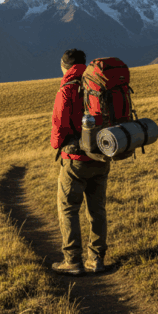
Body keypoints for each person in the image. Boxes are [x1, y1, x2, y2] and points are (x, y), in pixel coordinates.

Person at [49, 48, 111, 275]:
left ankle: (72, 260)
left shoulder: (67, 88)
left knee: (68, 209)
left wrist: (57, 146)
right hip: (102, 153)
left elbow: (59, 126)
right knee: (97, 209)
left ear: (64, 65)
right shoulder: (97, 82)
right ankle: (96, 259)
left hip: (75, 159)